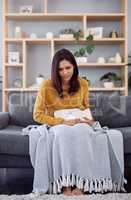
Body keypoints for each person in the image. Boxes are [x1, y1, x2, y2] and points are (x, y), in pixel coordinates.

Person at [33, 48, 95, 195]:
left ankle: (81, 182)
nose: (65, 72)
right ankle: (66, 183)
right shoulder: (46, 86)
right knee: (63, 133)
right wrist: (61, 121)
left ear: (74, 66)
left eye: (68, 68)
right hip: (58, 123)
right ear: (55, 70)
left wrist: (88, 120)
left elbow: (86, 108)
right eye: (60, 69)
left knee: (83, 132)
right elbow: (37, 114)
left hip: (79, 121)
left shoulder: (83, 84)